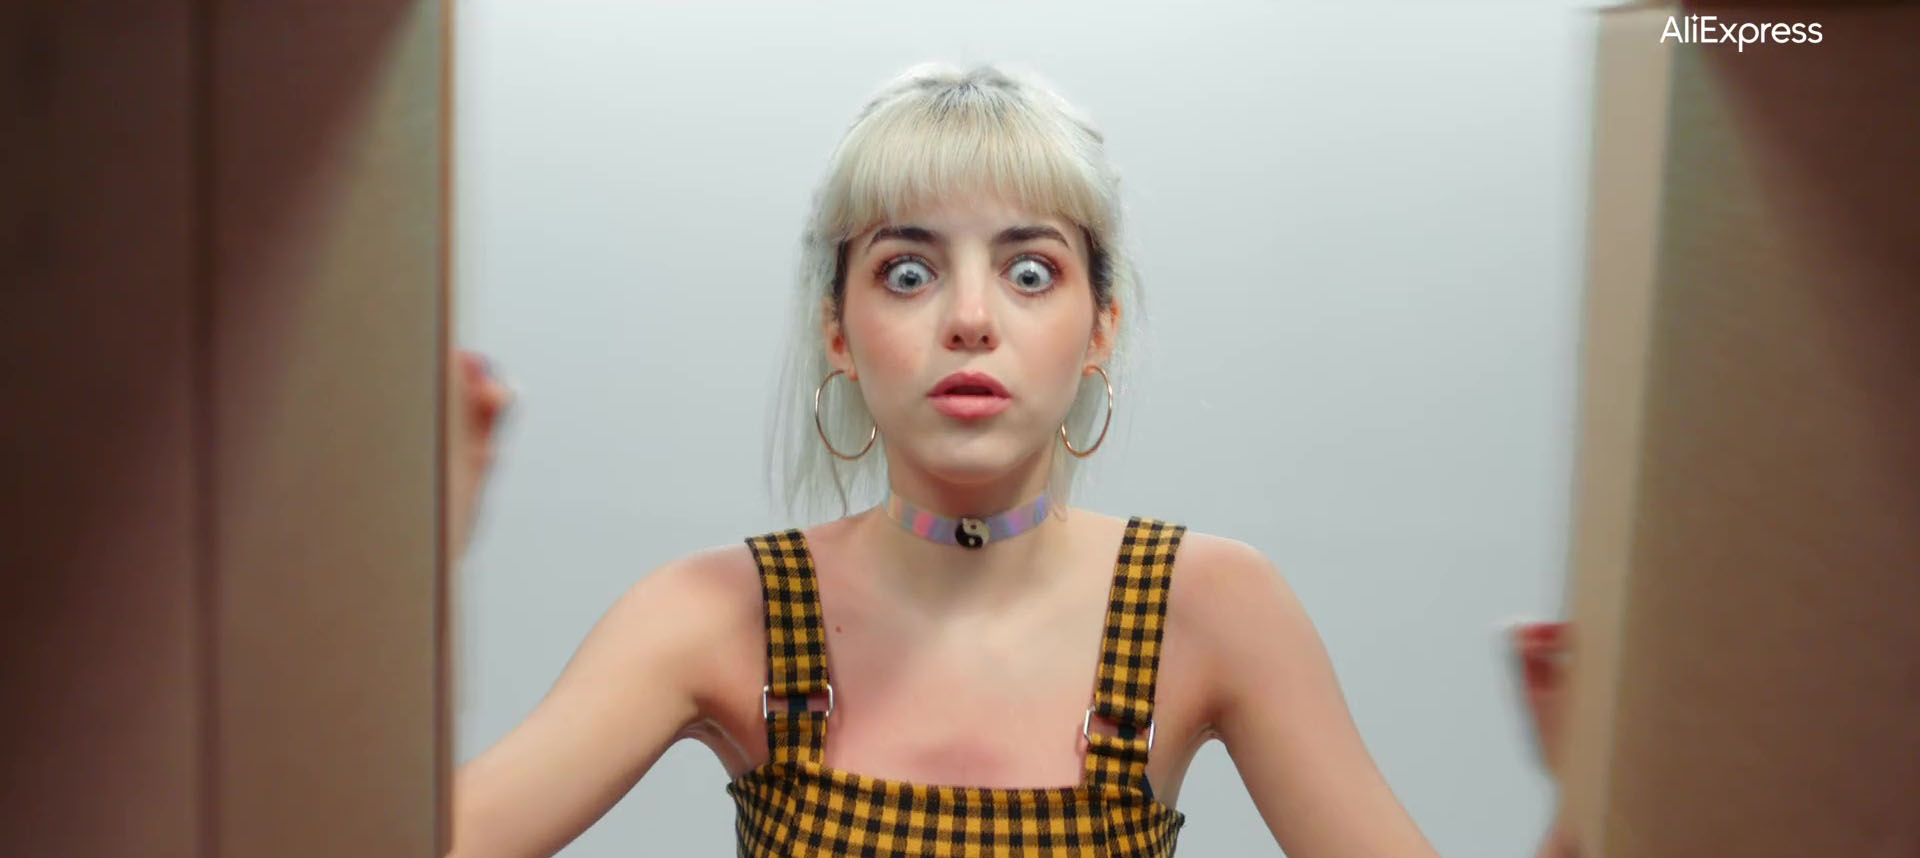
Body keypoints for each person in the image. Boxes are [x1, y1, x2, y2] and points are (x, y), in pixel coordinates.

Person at [448, 63, 1579, 858]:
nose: (971, 319)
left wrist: (1595, 794)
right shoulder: (718, 612)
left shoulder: (1208, 606)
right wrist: (417, 552)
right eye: (907, 272)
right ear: (838, 329)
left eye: (1030, 272)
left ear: (1099, 328)